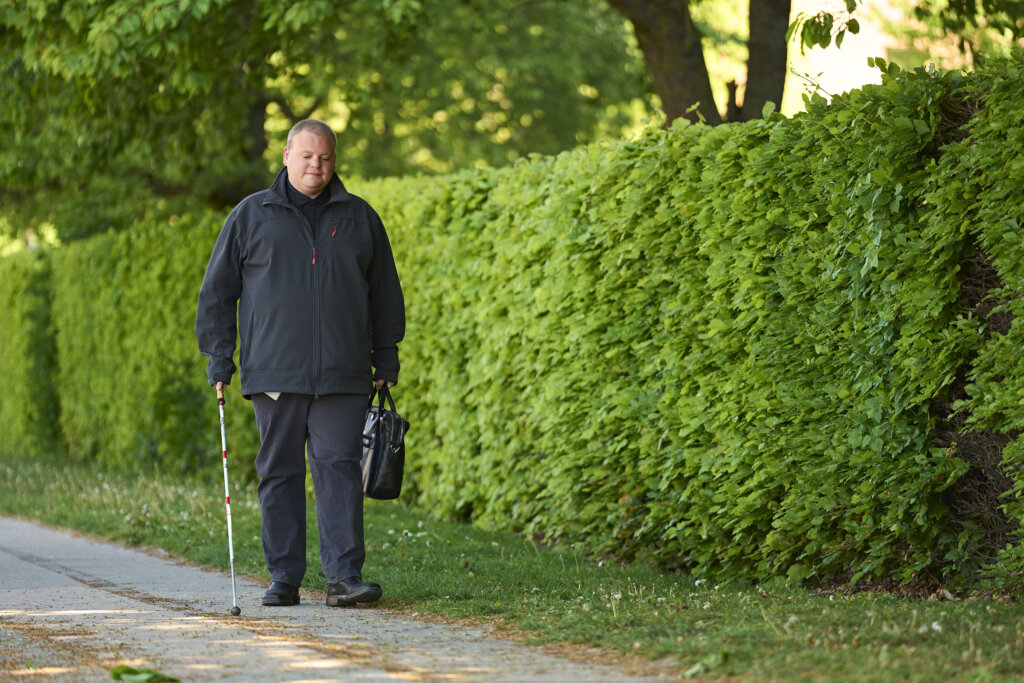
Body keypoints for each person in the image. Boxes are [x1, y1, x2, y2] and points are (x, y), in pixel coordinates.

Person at [195, 119, 405, 608]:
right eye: (308, 156)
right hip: (273, 372)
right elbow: (218, 293)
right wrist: (218, 359)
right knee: (280, 471)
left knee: (339, 468)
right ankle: (284, 577)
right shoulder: (251, 216)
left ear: (335, 160)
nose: (317, 165)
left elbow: (385, 294)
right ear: (287, 155)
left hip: (343, 372)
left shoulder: (360, 218)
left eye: (326, 158)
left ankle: (344, 578)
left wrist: (386, 355)